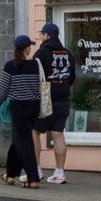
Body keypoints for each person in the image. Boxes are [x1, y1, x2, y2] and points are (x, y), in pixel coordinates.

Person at [0, 34, 44, 187]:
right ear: (27, 49)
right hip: (34, 106)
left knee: (25, 142)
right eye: (30, 46)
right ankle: (10, 175)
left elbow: (3, 89)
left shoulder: (10, 66)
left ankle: (33, 179)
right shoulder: (36, 65)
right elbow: (43, 85)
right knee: (18, 141)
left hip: (18, 107)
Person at [33, 21, 75, 183]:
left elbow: (35, 76)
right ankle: (59, 173)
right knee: (58, 134)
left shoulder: (41, 53)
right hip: (63, 96)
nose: (40, 37)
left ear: (47, 36)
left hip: (46, 96)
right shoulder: (68, 53)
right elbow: (72, 77)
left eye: (42, 34)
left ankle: (36, 169)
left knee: (34, 131)